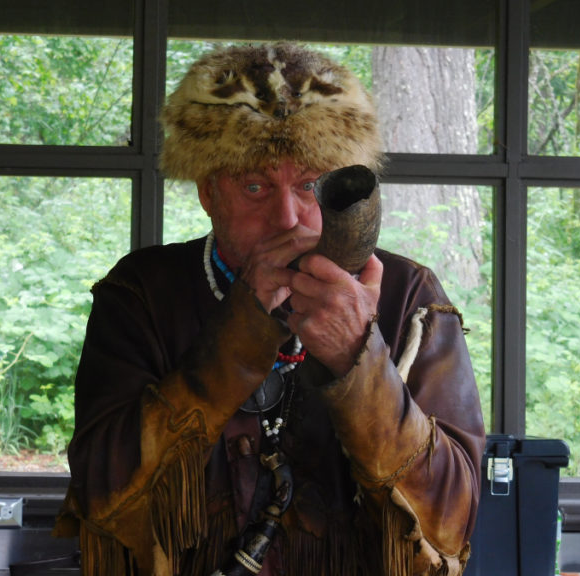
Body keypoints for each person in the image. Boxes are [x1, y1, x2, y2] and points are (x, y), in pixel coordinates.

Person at [54, 42, 485, 576]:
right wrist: (237, 343)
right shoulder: (144, 290)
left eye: (309, 185)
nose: (287, 216)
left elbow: (451, 522)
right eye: (255, 185)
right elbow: (103, 494)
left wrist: (359, 357)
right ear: (210, 193)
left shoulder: (407, 295)